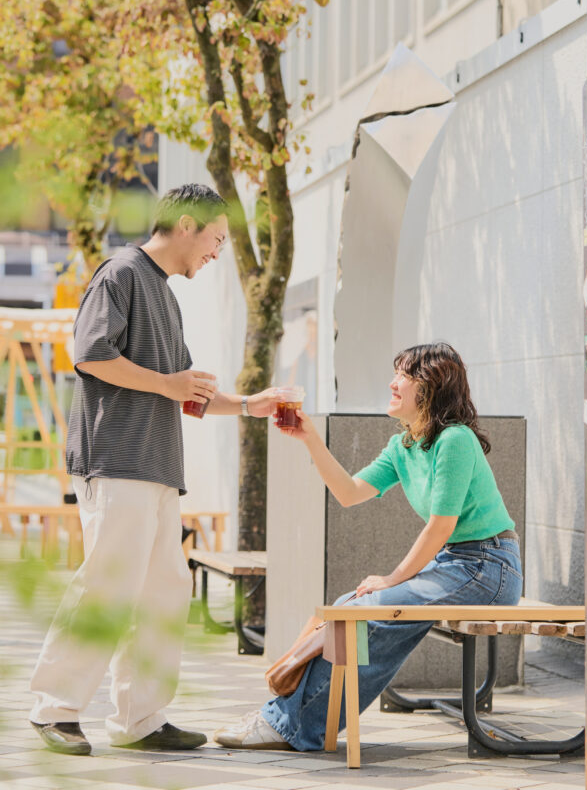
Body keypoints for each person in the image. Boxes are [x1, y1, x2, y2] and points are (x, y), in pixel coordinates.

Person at [30, 183, 280, 756]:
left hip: (159, 468)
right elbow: (90, 354)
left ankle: (140, 718)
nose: (217, 253)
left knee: (164, 592)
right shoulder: (119, 272)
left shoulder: (165, 295)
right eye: (216, 239)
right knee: (108, 586)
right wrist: (168, 384)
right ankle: (53, 709)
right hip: (115, 459)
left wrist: (249, 404)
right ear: (187, 224)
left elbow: (184, 392)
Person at [214, 342, 523, 751]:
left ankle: (291, 725)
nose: (392, 383)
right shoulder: (405, 446)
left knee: (372, 609)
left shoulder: (455, 440)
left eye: (403, 376)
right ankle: (289, 717)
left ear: (429, 387)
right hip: (457, 565)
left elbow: (439, 527)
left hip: (488, 567)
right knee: (349, 606)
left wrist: (392, 578)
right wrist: (310, 438)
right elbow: (348, 491)